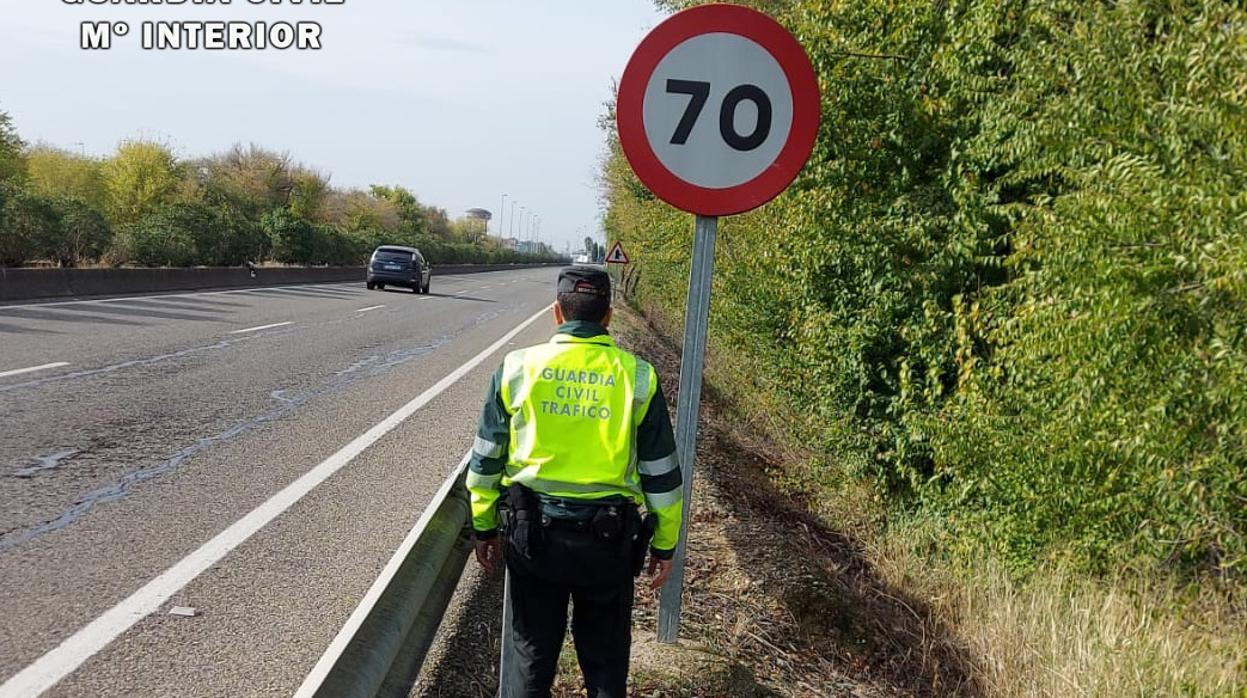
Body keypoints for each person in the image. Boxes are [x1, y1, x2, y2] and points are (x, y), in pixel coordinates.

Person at [467, 266, 684, 698]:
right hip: (608, 544)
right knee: (605, 664)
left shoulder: (516, 368)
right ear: (608, 316)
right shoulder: (637, 376)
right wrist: (664, 544)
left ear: (557, 314)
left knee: (530, 657)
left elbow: (486, 462)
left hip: (533, 540)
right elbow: (661, 473)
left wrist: (484, 527)